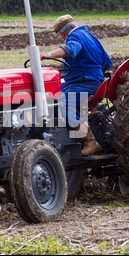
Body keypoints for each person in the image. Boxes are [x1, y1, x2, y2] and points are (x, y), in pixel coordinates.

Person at [40, 14, 112, 156]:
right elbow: (107, 62)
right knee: (50, 94)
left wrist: (47, 54)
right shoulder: (90, 36)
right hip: (90, 82)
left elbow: (71, 50)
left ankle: (90, 141)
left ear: (62, 33)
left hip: (84, 82)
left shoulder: (75, 37)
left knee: (62, 103)